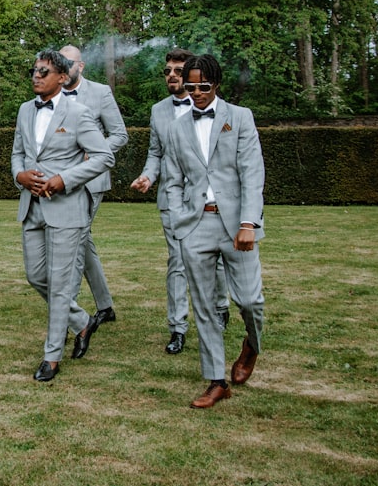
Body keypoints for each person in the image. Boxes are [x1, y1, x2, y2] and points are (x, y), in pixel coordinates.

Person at [165, 54, 266, 409]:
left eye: (202, 86)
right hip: (195, 226)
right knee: (205, 306)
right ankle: (216, 381)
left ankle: (252, 343)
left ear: (216, 85)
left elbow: (252, 173)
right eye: (190, 86)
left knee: (250, 301)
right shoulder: (177, 127)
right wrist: (180, 223)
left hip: (237, 224)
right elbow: (173, 180)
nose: (196, 93)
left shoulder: (239, 118)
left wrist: (248, 223)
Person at [12, 50, 114, 381]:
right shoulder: (26, 110)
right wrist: (20, 176)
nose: (36, 76)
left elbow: (104, 156)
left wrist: (64, 179)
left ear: (62, 77)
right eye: (34, 70)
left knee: (59, 285)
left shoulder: (79, 112)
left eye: (44, 71)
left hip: (67, 209)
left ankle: (51, 356)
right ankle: (82, 322)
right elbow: (17, 153)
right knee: (35, 276)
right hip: (32, 207)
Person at [131, 49, 230, 355]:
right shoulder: (159, 110)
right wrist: (148, 176)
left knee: (213, 261)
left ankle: (220, 306)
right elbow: (155, 153)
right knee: (177, 263)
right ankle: (178, 328)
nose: (171, 75)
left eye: (178, 70)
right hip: (172, 201)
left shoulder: (215, 108)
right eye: (167, 71)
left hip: (210, 201)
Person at [58, 44, 128, 341]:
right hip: (60, 182)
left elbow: (119, 135)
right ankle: (105, 305)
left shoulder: (100, 93)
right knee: (83, 242)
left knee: (73, 243)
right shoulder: (50, 93)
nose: (63, 68)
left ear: (81, 66)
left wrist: (93, 153)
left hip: (90, 182)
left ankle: (66, 313)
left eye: (68, 63)